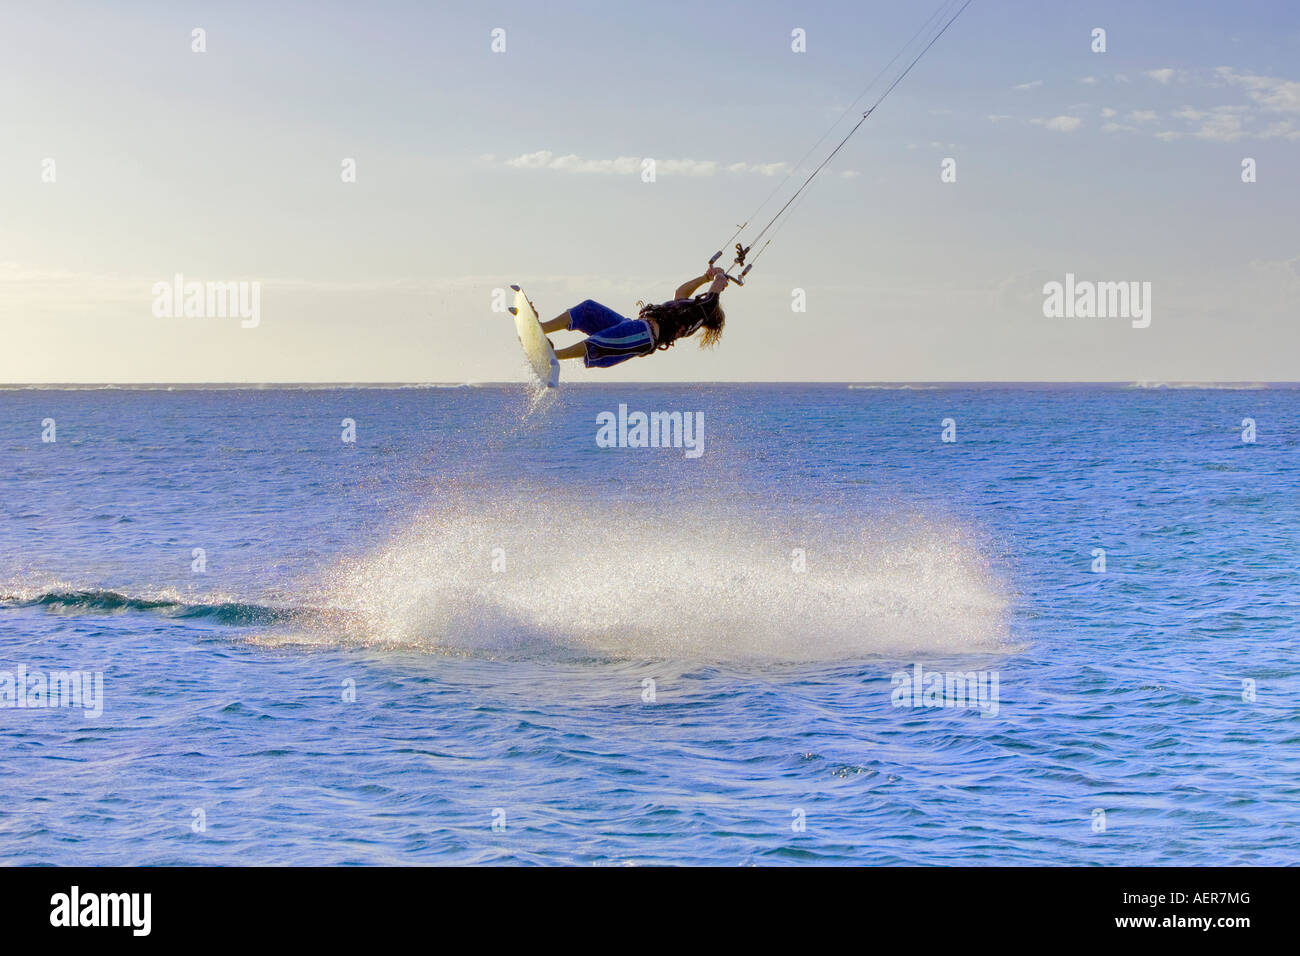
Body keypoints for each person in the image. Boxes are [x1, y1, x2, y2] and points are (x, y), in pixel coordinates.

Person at [540, 267, 729, 368]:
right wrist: (706, 277)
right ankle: (542, 327)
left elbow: (712, 299)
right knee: (588, 309)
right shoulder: (688, 309)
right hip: (636, 326)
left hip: (644, 335)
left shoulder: (700, 316)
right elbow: (681, 291)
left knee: (598, 342)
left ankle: (553, 357)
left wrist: (719, 279)